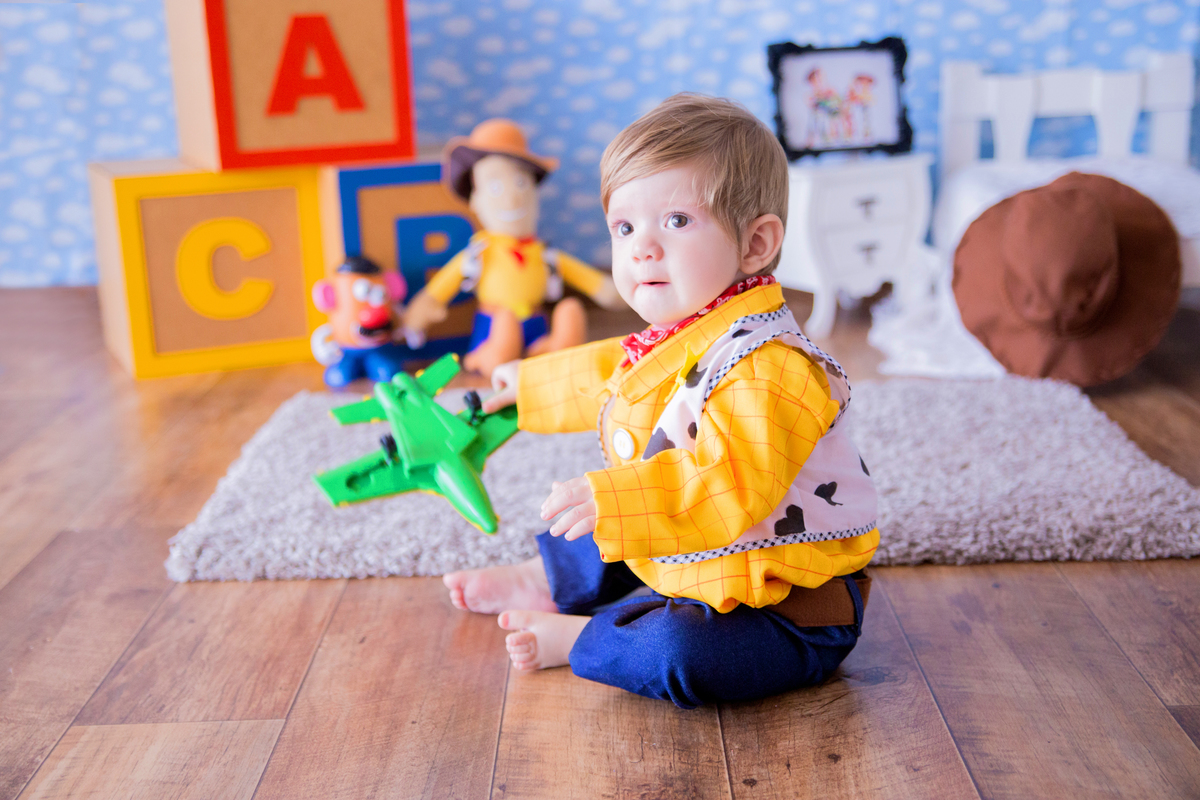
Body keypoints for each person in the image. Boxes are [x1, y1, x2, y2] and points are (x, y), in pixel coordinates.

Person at [442, 94, 879, 709]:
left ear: (756, 244)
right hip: (704, 557)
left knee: (680, 649)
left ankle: (586, 637)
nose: (642, 247)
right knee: (611, 518)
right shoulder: (685, 332)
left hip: (785, 605)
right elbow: (611, 372)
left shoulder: (771, 371)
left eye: (675, 220)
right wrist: (530, 385)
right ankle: (548, 580)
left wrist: (616, 498)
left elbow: (728, 483)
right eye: (624, 227)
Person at [402, 119, 622, 378]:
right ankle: (488, 357)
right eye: (496, 187)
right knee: (504, 326)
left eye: (521, 184)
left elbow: (588, 280)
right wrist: (419, 313)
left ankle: (552, 351)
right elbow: (442, 287)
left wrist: (616, 291)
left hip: (536, 324)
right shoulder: (479, 252)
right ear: (475, 199)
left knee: (569, 309)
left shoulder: (543, 252)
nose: (512, 196)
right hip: (493, 326)